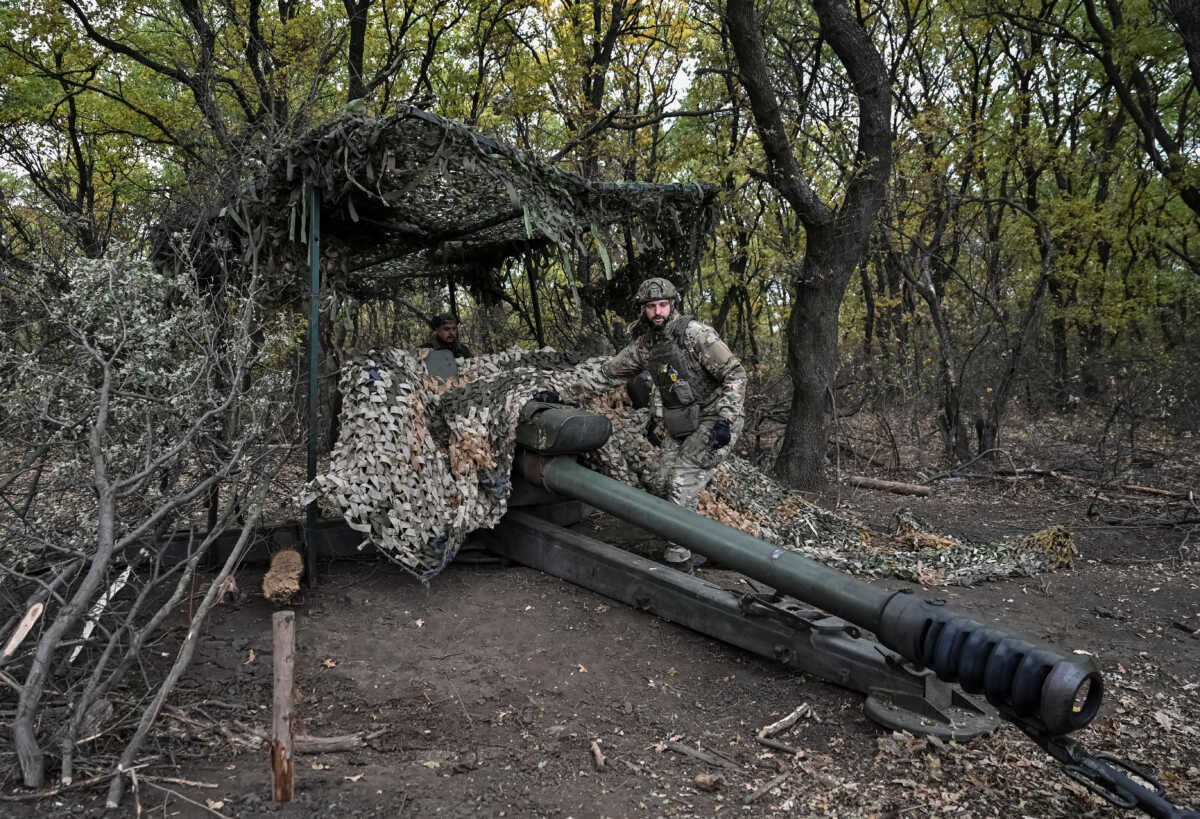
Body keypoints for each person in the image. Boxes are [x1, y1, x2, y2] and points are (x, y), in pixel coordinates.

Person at [602, 277, 747, 570]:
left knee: (682, 483)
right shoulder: (646, 346)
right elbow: (607, 373)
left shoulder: (696, 335)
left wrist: (726, 420)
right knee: (663, 482)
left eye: (662, 305)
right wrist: (561, 390)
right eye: (651, 306)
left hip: (716, 418)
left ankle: (678, 562)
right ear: (643, 309)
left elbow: (736, 374)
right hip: (682, 421)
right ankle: (706, 544)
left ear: (672, 304)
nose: (658, 312)